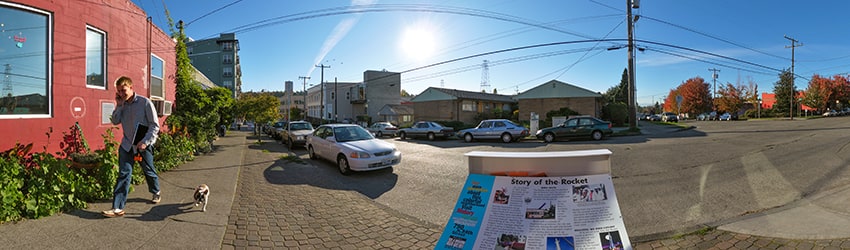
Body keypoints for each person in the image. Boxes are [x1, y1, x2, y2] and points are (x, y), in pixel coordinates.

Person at [102, 76, 161, 217]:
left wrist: (146, 141)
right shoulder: (122, 104)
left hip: (143, 144)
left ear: (131, 87)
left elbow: (154, 125)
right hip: (127, 145)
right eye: (119, 91)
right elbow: (115, 121)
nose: (122, 94)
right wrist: (119, 105)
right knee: (124, 174)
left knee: (149, 171)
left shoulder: (144, 103)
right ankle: (117, 208)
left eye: (124, 90)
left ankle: (156, 191)